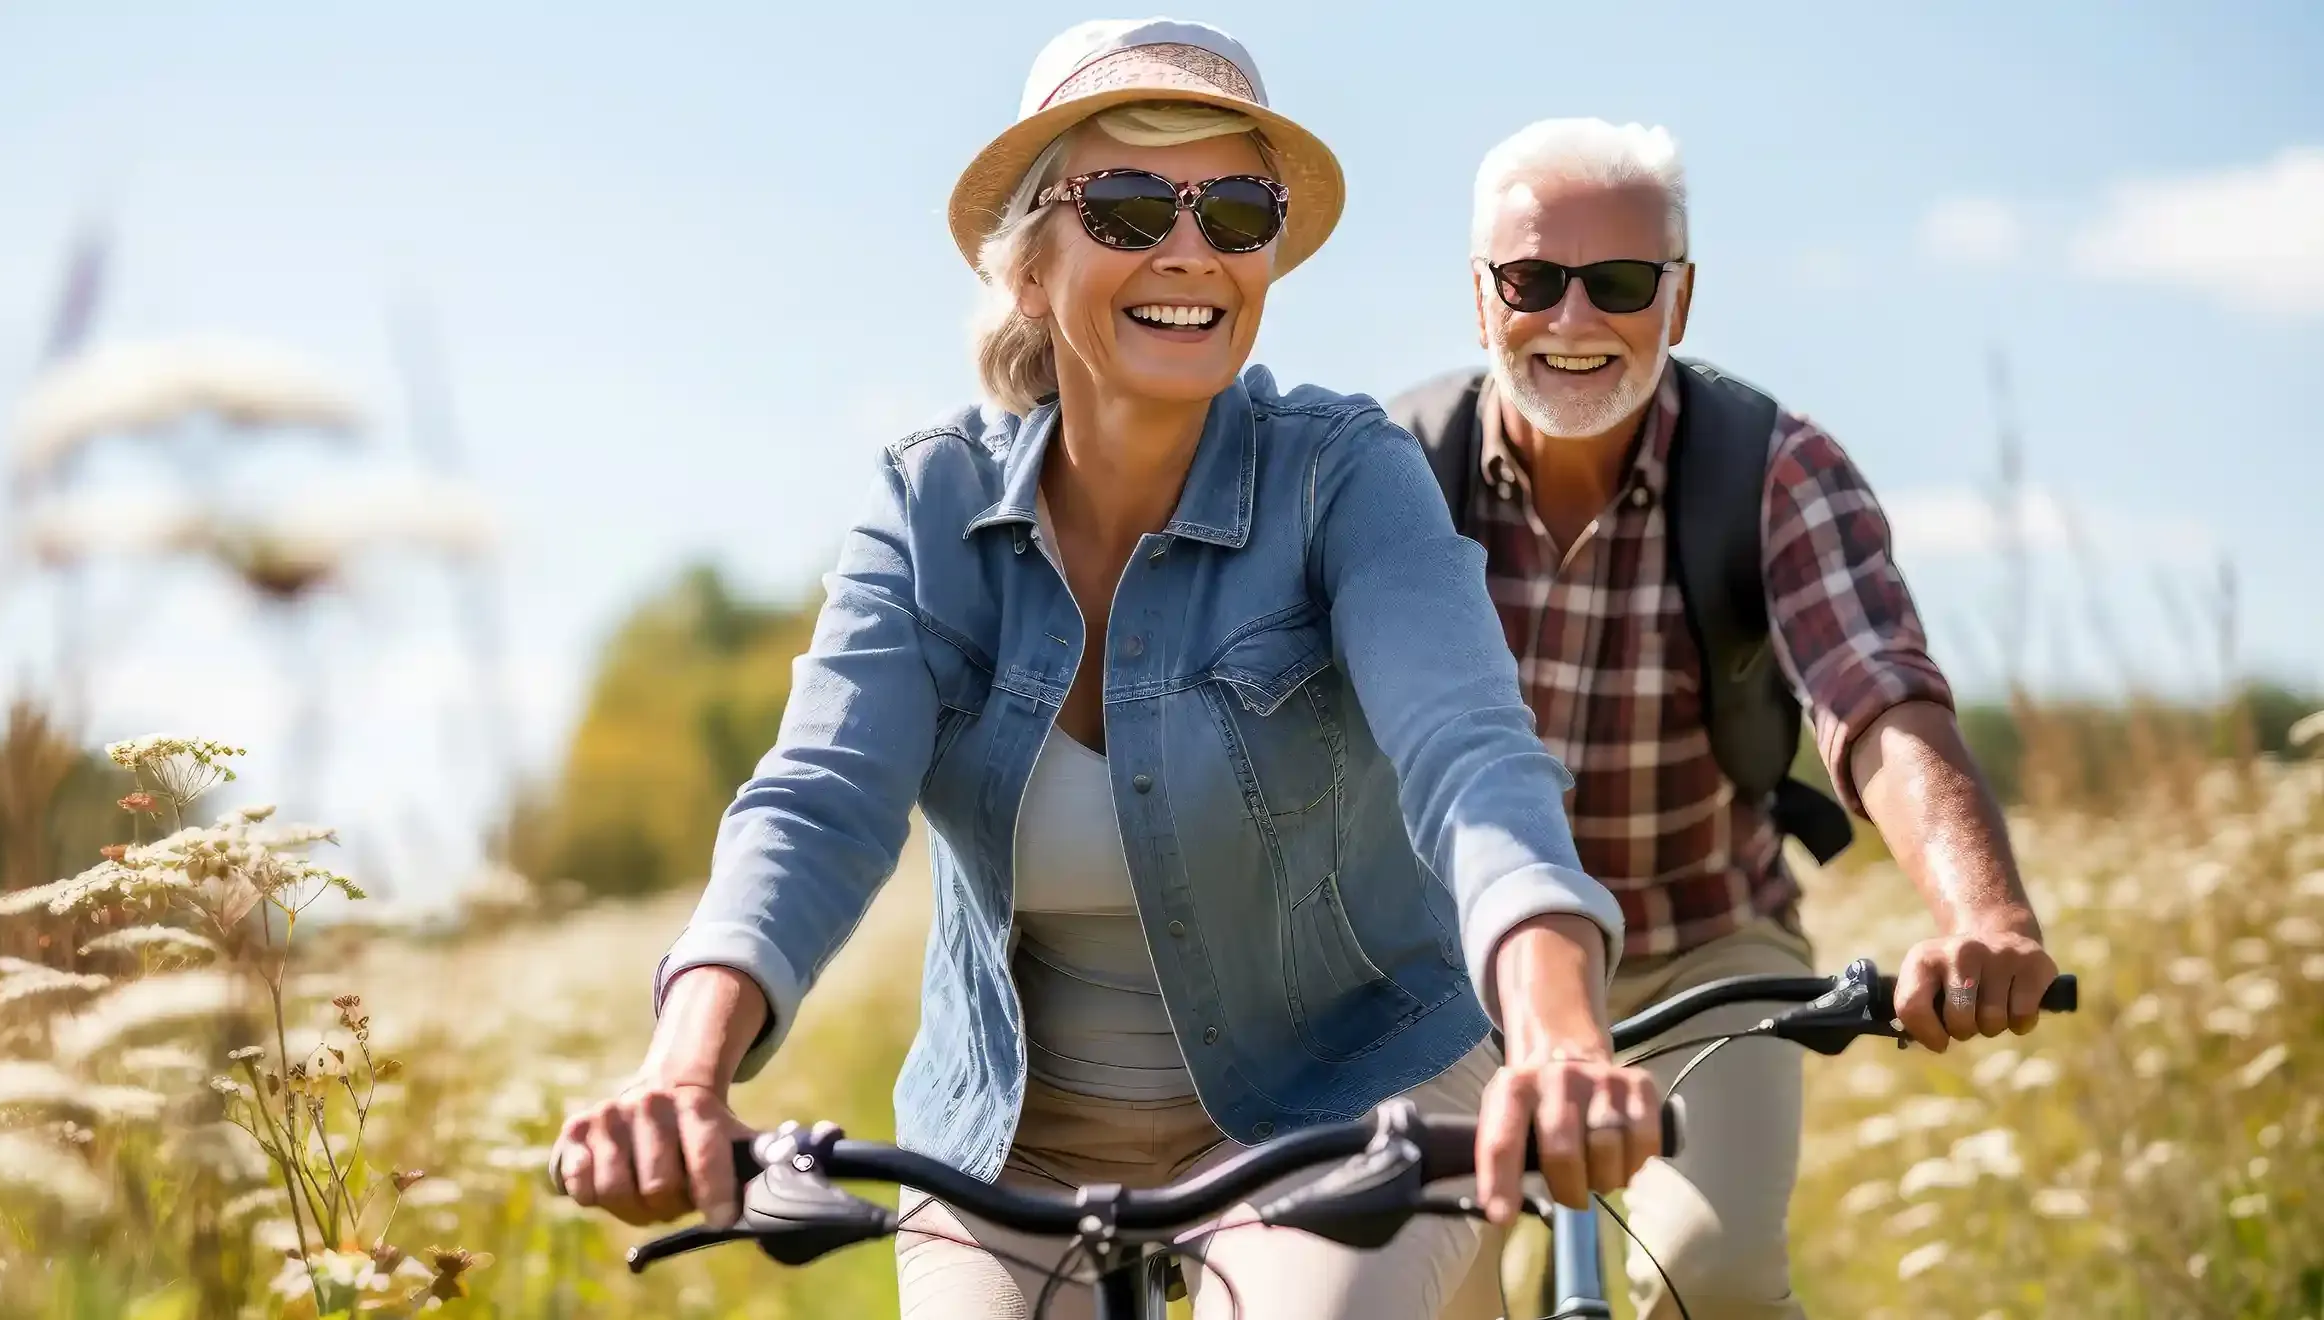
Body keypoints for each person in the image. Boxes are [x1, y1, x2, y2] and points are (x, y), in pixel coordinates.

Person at [553, 20, 1664, 1320]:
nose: (1189, 249)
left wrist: (1557, 1034)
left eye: (1235, 211)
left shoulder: (1342, 474)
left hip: (1347, 1090)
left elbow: (1467, 756)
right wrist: (682, 1070)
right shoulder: (927, 509)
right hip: (1016, 1142)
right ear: (1030, 270)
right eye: (1129, 206)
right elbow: (817, 802)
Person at [1387, 118, 2063, 1320]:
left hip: (1700, 940)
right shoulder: (1387, 470)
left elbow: (1875, 697)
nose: (1572, 317)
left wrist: (1984, 917)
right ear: (1479, 299)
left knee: (1715, 1276)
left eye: (1620, 282)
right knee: (1429, 1292)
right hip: (1444, 966)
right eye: (1531, 280)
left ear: (1679, 301)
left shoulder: (1772, 469)